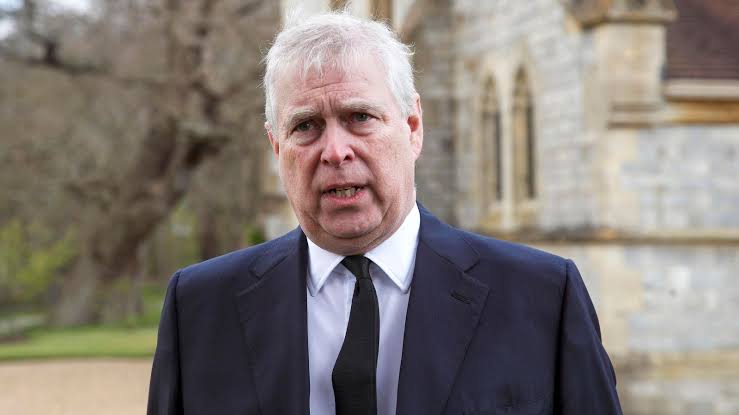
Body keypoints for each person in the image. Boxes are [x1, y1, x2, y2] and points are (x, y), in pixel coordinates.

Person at [147, 11, 623, 415]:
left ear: (412, 127)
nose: (335, 151)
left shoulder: (541, 298)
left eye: (360, 117)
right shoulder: (200, 309)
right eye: (306, 126)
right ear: (277, 147)